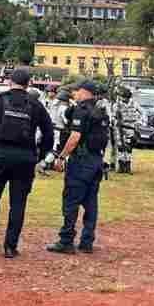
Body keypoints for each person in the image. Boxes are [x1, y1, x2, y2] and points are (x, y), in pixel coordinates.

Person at [0, 68, 53, 258]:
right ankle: (10, 247)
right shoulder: (35, 104)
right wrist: (39, 156)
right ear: (29, 83)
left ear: (10, 81)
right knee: (18, 203)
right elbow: (48, 132)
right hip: (25, 158)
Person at [47, 80, 110, 255]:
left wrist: (61, 157)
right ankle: (87, 241)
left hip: (81, 161)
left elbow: (75, 137)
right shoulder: (100, 111)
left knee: (71, 201)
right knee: (91, 203)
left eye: (76, 90)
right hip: (96, 160)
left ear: (84, 91)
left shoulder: (81, 110)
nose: (74, 93)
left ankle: (66, 240)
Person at [112, 87, 138, 174]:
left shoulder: (134, 104)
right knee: (120, 147)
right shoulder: (116, 105)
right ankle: (121, 165)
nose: (124, 99)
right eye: (122, 97)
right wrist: (116, 121)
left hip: (130, 128)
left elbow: (142, 113)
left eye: (125, 97)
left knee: (128, 147)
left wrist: (139, 123)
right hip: (120, 128)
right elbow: (113, 116)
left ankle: (128, 165)